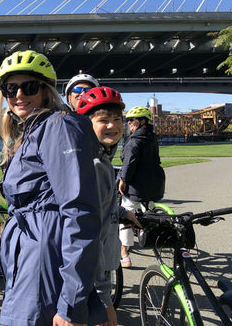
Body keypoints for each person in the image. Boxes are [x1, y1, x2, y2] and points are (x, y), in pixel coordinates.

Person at [0, 50, 106, 326]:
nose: (19, 94)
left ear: (45, 91)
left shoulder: (58, 126)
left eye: (28, 86)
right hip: (29, 253)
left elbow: (79, 212)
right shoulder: (31, 131)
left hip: (44, 260)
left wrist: (71, 303)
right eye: (11, 88)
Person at [77, 87, 140, 326]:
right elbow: (89, 236)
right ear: (87, 125)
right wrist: (105, 300)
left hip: (97, 276)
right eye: (103, 120)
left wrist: (123, 212)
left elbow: (102, 207)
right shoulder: (94, 165)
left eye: (117, 119)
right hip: (94, 279)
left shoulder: (101, 159)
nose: (112, 126)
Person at [117, 106, 165, 268]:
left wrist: (122, 179)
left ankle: (124, 254)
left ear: (142, 121)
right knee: (148, 214)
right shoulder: (152, 138)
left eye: (132, 120)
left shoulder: (134, 140)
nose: (128, 122)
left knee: (125, 217)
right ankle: (152, 241)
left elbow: (129, 164)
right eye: (127, 120)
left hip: (136, 186)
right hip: (154, 184)